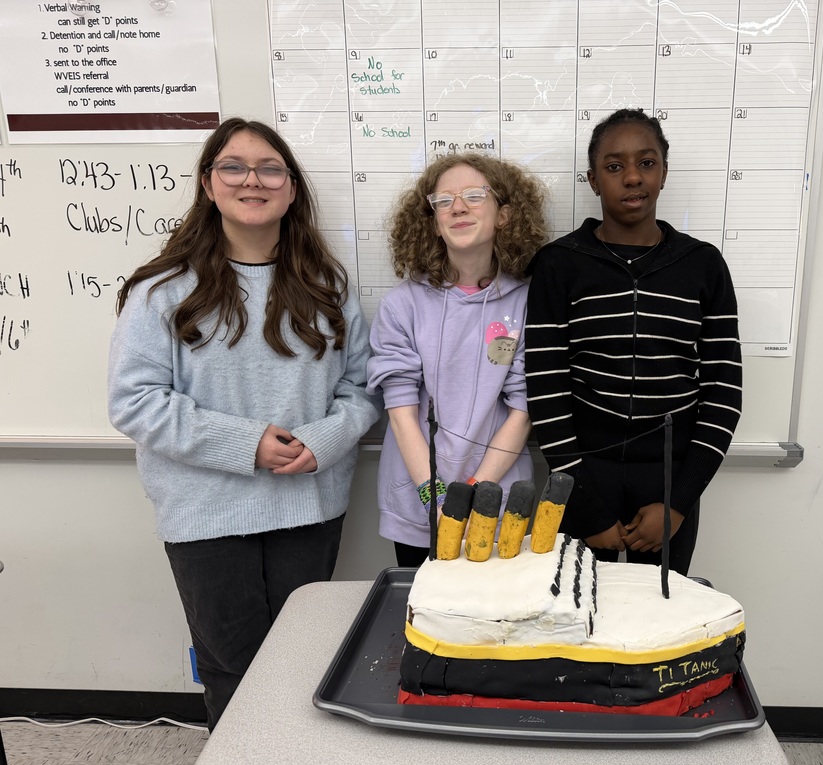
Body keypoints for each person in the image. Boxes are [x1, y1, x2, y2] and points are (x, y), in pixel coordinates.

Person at [107, 118, 382, 730]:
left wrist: (326, 437)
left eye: (269, 169)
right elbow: (134, 400)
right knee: (232, 665)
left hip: (308, 508)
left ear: (290, 189)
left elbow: (361, 388)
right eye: (233, 167)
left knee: (302, 659)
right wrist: (247, 442)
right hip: (204, 512)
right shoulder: (161, 290)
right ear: (209, 184)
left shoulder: (329, 284)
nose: (251, 180)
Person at [525, 108, 742, 575]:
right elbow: (546, 387)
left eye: (646, 163)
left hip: (670, 477)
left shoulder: (702, 266)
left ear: (664, 172)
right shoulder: (559, 264)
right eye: (614, 166)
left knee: (660, 621)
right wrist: (583, 501)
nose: (632, 178)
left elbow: (724, 393)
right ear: (593, 179)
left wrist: (678, 503)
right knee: (578, 614)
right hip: (583, 470)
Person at [367, 153, 549, 567]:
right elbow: (400, 413)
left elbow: (523, 410)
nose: (458, 207)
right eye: (443, 201)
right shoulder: (402, 306)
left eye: (473, 195)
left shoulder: (528, 304)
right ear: (432, 222)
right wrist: (436, 498)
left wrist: (476, 492)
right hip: (418, 505)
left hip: (498, 502)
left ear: (505, 215)